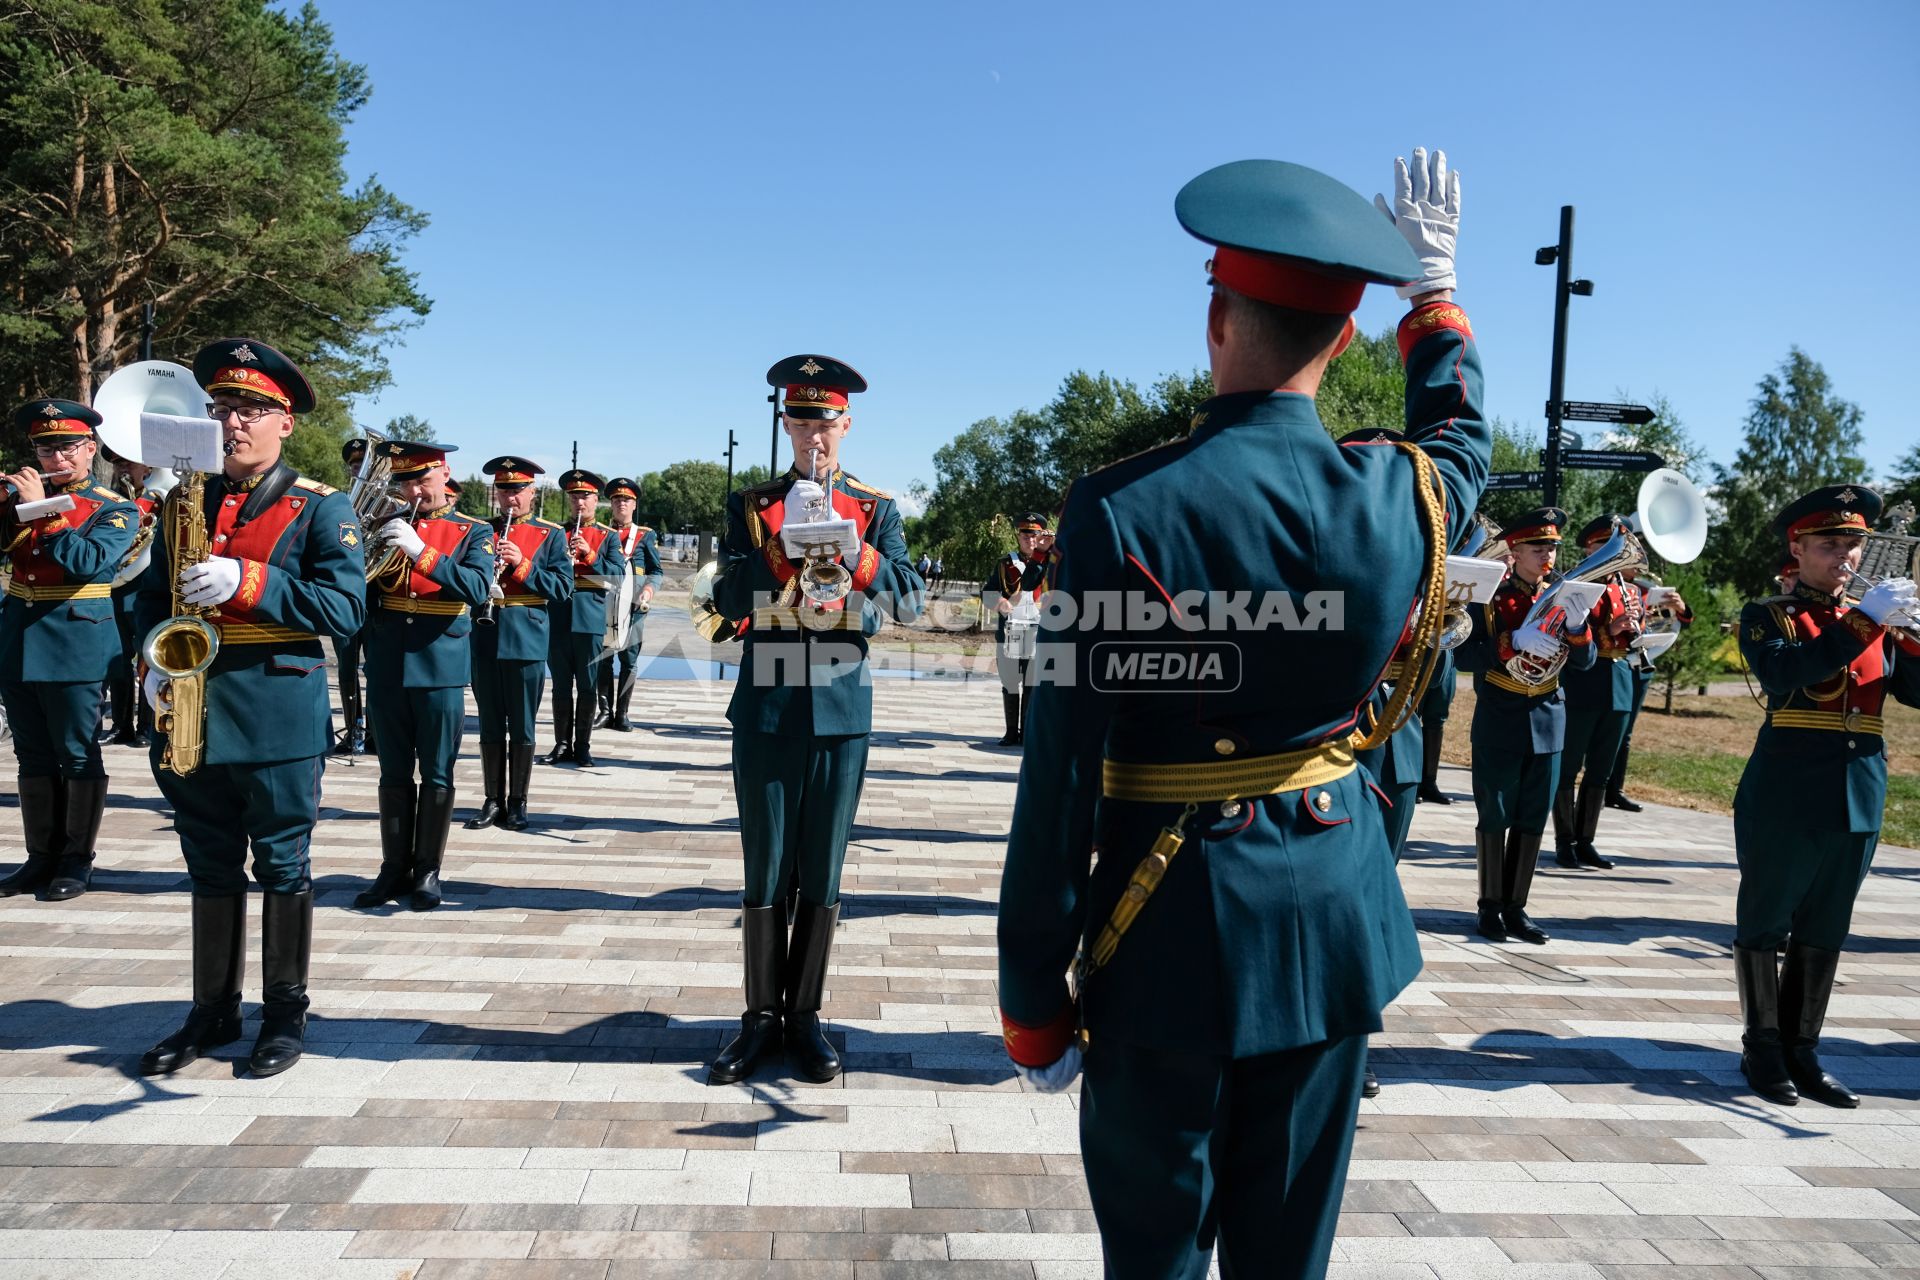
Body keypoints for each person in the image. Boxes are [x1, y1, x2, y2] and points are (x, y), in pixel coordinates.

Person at [996, 149, 1489, 1279]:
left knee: (1156, 1255)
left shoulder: (1117, 510)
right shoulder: (1396, 497)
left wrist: (1033, 990)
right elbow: (1464, 446)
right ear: (1345, 339)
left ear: (1215, 319)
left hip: (1161, 930)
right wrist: (1437, 293)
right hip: (1329, 924)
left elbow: (1060, 772)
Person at [134, 337, 365, 1078]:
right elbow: (146, 597)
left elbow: (346, 608)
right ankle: (212, 1009)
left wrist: (249, 581)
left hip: (274, 715)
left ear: (286, 422)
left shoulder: (320, 509)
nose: (234, 422)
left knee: (282, 865)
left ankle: (285, 1013)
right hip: (189, 710)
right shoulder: (183, 500)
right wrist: (147, 659)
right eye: (223, 407)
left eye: (252, 409)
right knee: (207, 867)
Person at [705, 353, 924, 1086]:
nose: (813, 436)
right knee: (766, 860)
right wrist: (773, 552)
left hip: (837, 701)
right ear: (786, 424)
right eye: (800, 421)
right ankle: (759, 1016)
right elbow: (728, 599)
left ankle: (805, 1016)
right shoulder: (750, 503)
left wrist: (859, 558)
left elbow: (910, 601)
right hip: (768, 701)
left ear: (846, 423)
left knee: (823, 863)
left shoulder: (876, 506)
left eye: (824, 422)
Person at [1731, 485, 1920, 1108]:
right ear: (1799, 548)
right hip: (1787, 787)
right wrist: (1867, 621)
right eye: (1830, 544)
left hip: (1859, 791)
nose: (1845, 556)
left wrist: (1912, 633)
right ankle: (1762, 1049)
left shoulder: (1878, 618)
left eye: (1854, 545)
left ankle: (1802, 1050)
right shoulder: (1772, 614)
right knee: (1766, 918)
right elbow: (1787, 673)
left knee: (1827, 925)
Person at [0, 400, 138, 901]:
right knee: (31, 752)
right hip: (19, 634)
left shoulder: (113, 508)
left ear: (89, 449)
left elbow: (87, 563)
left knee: (77, 752)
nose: (55, 457)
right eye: (44, 447)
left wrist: (40, 511)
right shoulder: (19, 496)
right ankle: (40, 857)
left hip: (76, 639)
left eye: (65, 447)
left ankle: (76, 860)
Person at [350, 442, 494, 911]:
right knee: (392, 772)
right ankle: (393, 866)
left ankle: (428, 869)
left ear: (445, 473)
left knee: (436, 772)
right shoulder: (383, 524)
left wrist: (421, 552)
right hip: (389, 661)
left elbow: (475, 588)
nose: (415, 491)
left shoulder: (473, 532)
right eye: (405, 482)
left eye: (423, 480)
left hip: (440, 665)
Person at [1454, 507, 1596, 944]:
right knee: (1495, 814)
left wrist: (1576, 627)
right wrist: (1511, 641)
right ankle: (1489, 907)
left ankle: (1518, 908)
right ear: (1513, 551)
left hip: (1550, 716)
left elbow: (1587, 662)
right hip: (1500, 716)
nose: (1547, 555)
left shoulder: (1563, 595)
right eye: (1538, 547)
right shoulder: (1492, 597)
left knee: (1534, 816)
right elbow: (1461, 655)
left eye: (1552, 547)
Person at [1551, 515, 1667, 871]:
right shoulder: (1577, 584)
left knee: (1601, 769)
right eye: (1606, 548)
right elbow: (1564, 629)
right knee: (1570, 766)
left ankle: (1586, 841)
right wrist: (1609, 628)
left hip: (1619, 678)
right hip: (1585, 678)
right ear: (1590, 549)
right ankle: (1564, 840)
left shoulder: (1632, 591)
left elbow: (1634, 633)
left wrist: (1635, 630)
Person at [464, 457, 571, 830]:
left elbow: (562, 588)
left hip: (525, 638)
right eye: (504, 489)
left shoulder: (551, 534)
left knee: (522, 725)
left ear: (532, 493)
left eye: (517, 490)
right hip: (485, 633)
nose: (510, 498)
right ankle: (492, 799)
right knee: (490, 724)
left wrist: (523, 564)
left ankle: (518, 801)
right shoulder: (479, 530)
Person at [102, 451, 165, 749]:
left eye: (128, 460)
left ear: (148, 465)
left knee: (148, 658)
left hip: (148, 588)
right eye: (117, 462)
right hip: (114, 588)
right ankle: (121, 724)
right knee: (117, 658)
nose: (122, 467)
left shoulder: (160, 499)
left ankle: (148, 727)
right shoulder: (108, 501)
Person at [593, 477, 662, 732]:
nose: (622, 503)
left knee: (629, 660)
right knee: (603, 658)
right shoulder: (601, 532)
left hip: (634, 608)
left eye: (627, 500)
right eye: (617, 499)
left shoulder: (644, 536)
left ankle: (622, 713)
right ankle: (604, 711)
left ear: (634, 505)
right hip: (604, 604)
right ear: (610, 504)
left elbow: (656, 570)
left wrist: (648, 589)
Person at [984, 512, 1053, 746]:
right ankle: (1011, 731)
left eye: (1034, 534)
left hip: (1039, 631)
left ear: (1042, 535)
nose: (1029, 538)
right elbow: (987, 592)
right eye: (1025, 533)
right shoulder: (1006, 563)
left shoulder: (1050, 562)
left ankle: (1028, 732)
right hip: (1010, 631)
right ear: (1018, 535)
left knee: (1033, 683)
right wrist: (999, 603)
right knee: (1011, 681)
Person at [331, 438, 374, 756]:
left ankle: (373, 730)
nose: (359, 470)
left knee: (374, 668)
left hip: (375, 598)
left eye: (364, 465)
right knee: (346, 668)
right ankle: (351, 728)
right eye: (355, 466)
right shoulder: (338, 503)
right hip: (345, 595)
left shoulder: (390, 504)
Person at [1416, 649, 1456, 804]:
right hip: (1418, 655)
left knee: (1437, 719)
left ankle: (1429, 783)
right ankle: (1414, 782)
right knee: (1412, 716)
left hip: (1446, 655)